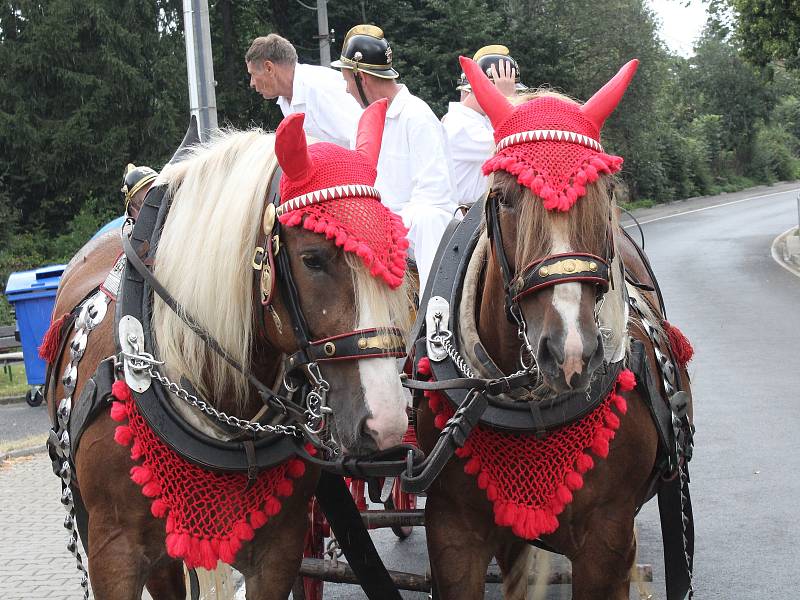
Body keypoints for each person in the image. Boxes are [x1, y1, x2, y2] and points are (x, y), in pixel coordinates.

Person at [331, 25, 457, 292]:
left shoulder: (417, 116)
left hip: (416, 235)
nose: (346, 90)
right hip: (383, 228)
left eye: (347, 81)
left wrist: (387, 224)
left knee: (429, 219)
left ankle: (436, 315)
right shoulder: (361, 121)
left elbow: (435, 194)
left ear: (362, 78)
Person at [442, 45, 528, 206]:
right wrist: (505, 100)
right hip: (467, 220)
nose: (516, 97)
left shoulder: (478, 120)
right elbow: (518, 144)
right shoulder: (460, 125)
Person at [245, 34, 362, 148]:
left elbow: (361, 137)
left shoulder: (320, 88)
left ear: (269, 68)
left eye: (253, 75)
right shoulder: (286, 99)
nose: (252, 83)